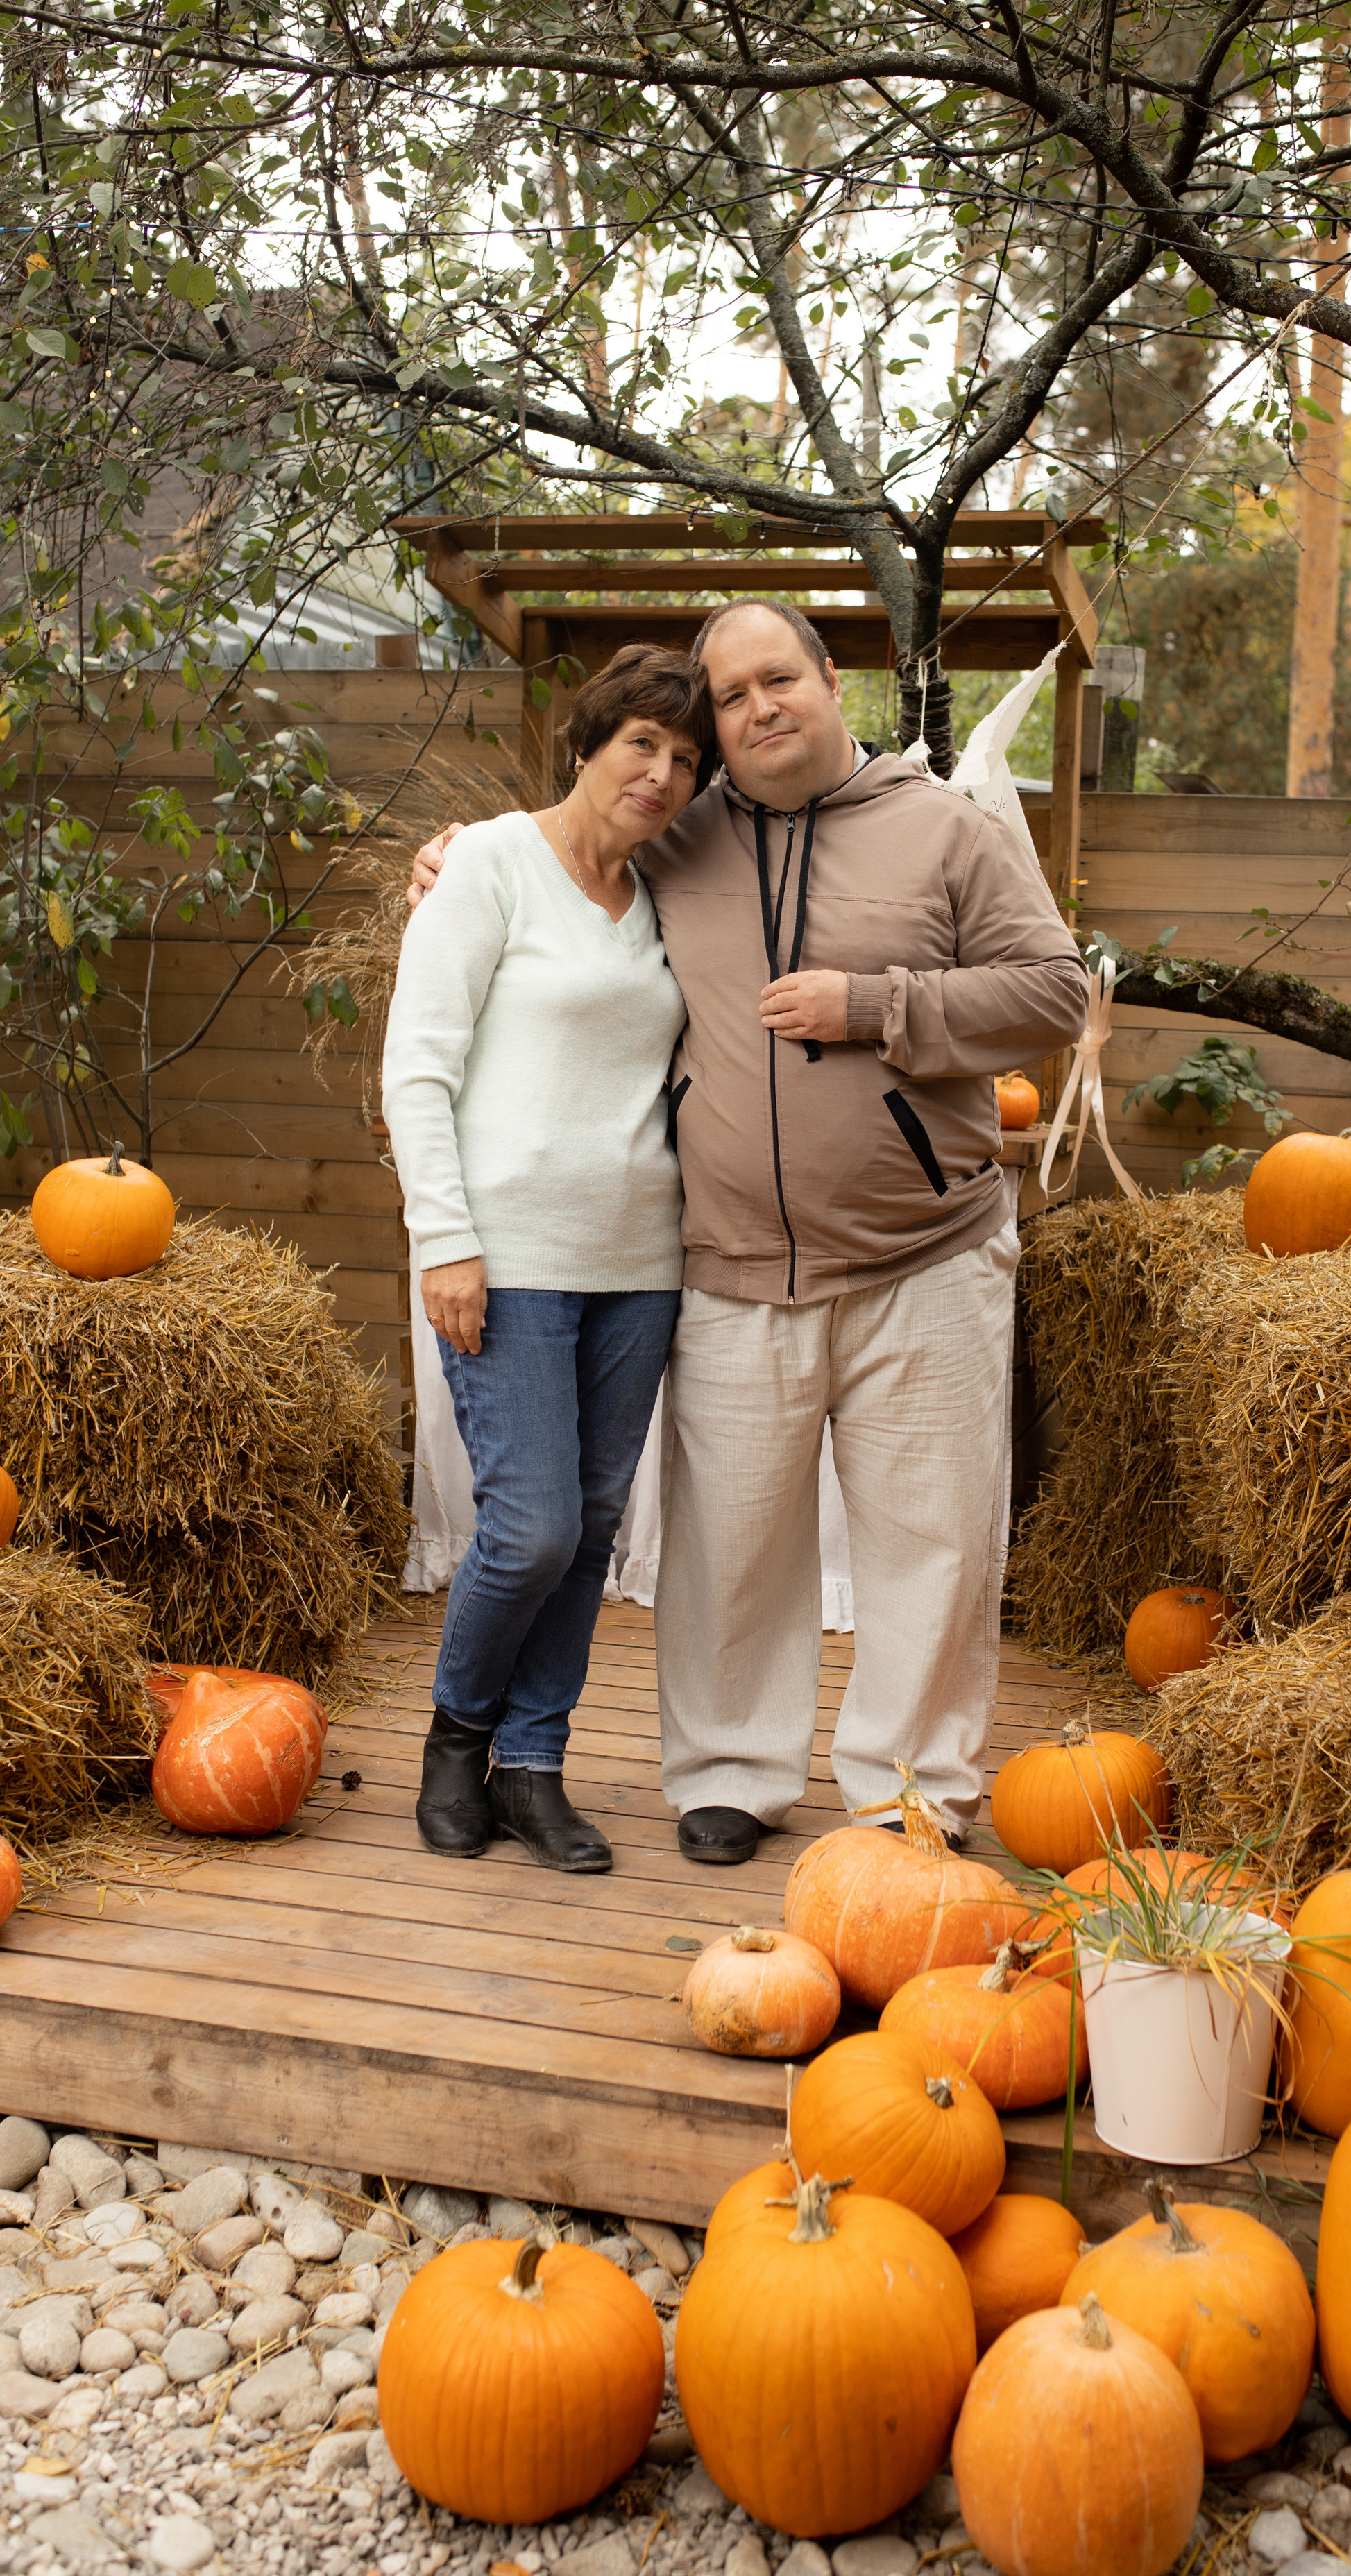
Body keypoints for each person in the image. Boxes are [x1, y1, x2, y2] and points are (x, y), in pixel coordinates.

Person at [411, 599, 1087, 1864]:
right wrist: (459, 858)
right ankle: (731, 1771)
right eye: (729, 699)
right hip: (721, 1263)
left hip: (922, 1254)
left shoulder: (944, 827)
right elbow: (564, 863)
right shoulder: (681, 835)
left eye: (778, 678)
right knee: (730, 1544)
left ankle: (911, 1790)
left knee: (931, 1543)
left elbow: (1053, 990)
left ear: (832, 682)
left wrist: (876, 1004)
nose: (757, 707)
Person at [382, 643, 707, 1873]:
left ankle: (534, 1765)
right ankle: (458, 1738)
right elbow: (418, 1066)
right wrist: (446, 1241)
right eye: (644, 744)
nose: (664, 773)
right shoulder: (489, 867)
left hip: (642, 1261)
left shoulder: (675, 888)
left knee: (596, 1518)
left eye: (685, 759)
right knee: (529, 1529)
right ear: (590, 739)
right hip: (506, 1257)